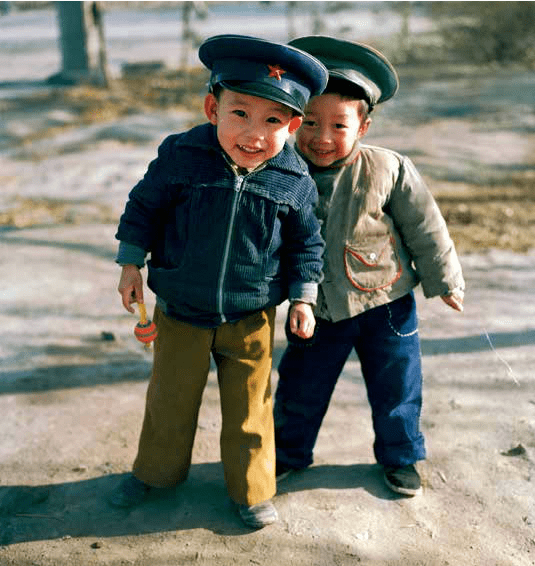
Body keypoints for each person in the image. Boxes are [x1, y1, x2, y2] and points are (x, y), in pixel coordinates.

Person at [110, 34, 328, 528]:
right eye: (240, 114)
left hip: (251, 316)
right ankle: (155, 474)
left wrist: (303, 297)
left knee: (252, 408)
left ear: (293, 126)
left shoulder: (294, 180)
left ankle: (251, 490)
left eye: (273, 121)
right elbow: (143, 208)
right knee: (170, 399)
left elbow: (306, 244)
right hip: (181, 310)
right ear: (213, 108)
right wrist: (130, 264)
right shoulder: (181, 156)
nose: (254, 134)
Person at [273, 36, 465, 497]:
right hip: (317, 308)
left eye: (338, 125)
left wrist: (444, 281)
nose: (322, 138)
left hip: (388, 302)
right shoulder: (280, 169)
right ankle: (287, 454)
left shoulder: (390, 168)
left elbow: (426, 227)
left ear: (362, 127)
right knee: (300, 388)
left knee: (397, 386)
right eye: (311, 123)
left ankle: (401, 458)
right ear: (296, 121)